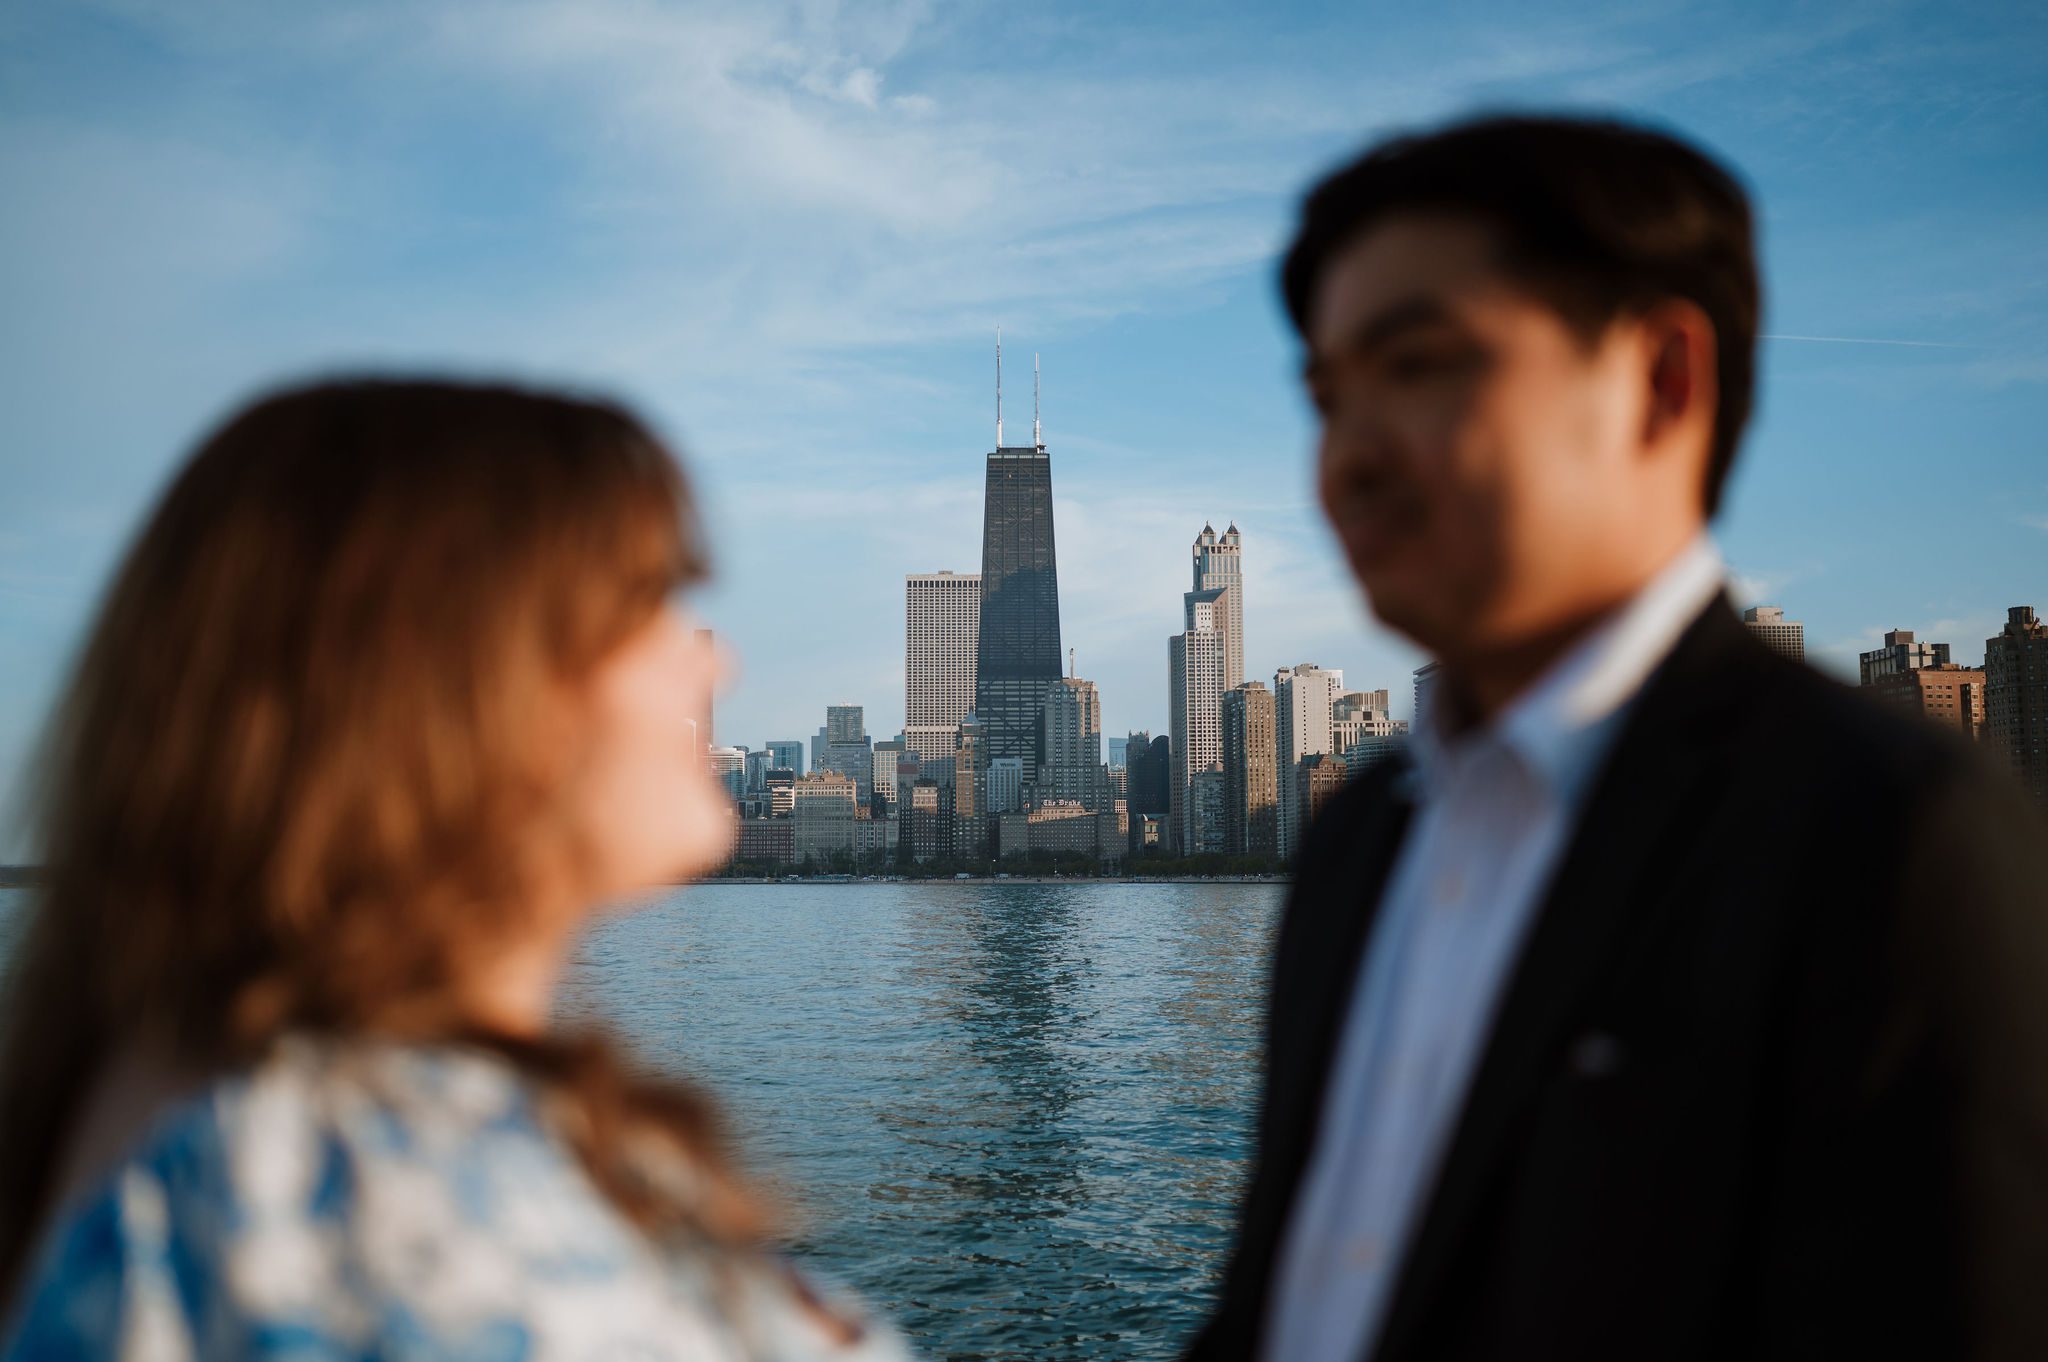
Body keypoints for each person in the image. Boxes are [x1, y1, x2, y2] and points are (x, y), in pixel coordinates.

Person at [1188, 114, 2048, 1362]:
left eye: (1419, 365)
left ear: (1661, 380)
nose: (1348, 457)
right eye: (1327, 395)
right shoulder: (1361, 839)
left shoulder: (1893, 836)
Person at [0, 380, 910, 1361]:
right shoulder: (374, 1202)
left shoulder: (210, 1108)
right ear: (471, 683)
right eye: (653, 601)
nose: (716, 660)